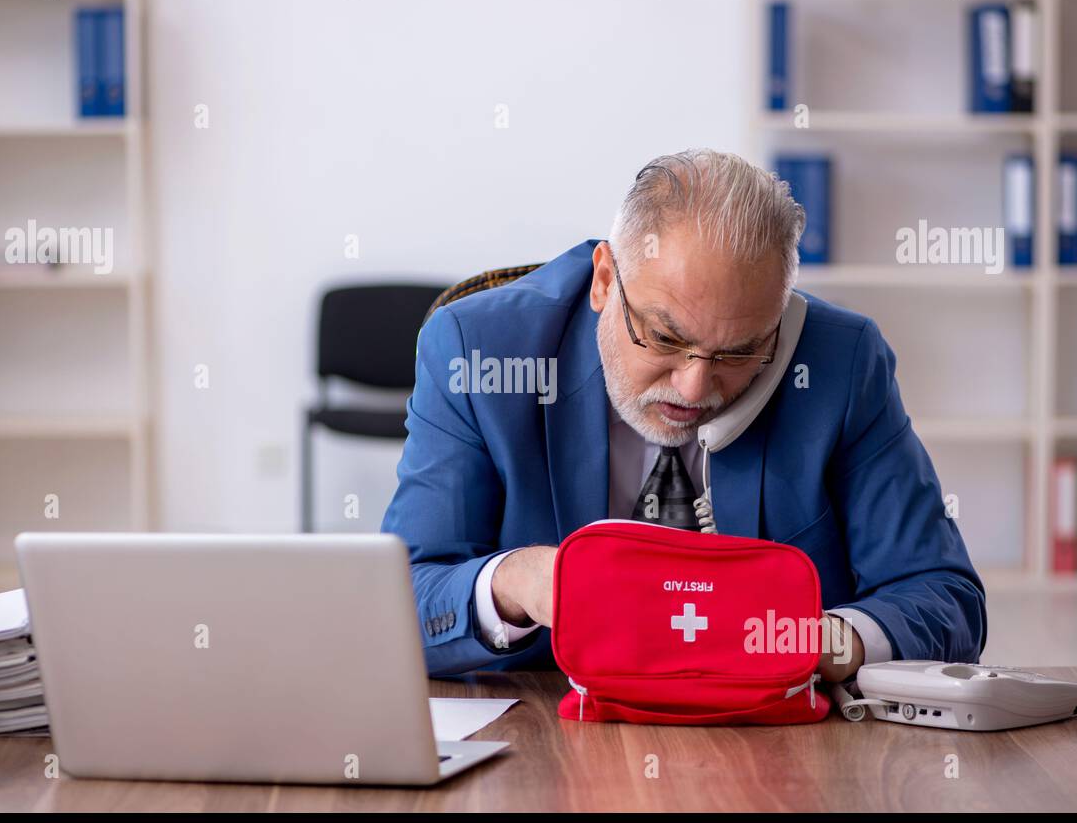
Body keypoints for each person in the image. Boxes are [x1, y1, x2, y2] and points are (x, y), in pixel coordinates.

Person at [381, 148, 986, 681]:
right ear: (604, 281)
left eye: (741, 350)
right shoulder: (479, 351)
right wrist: (517, 583)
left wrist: (814, 643)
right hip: (549, 737)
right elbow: (395, 606)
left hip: (774, 748)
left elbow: (946, 600)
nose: (696, 387)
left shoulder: (840, 361)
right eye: (664, 339)